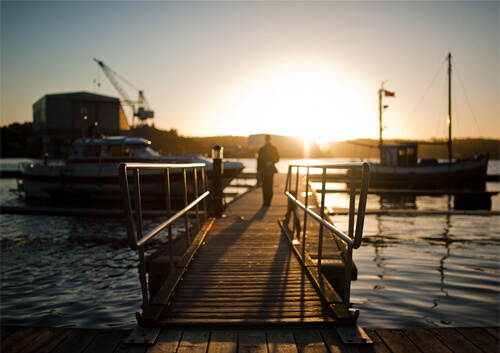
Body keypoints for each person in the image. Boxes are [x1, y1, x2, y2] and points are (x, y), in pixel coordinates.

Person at [257, 134, 279, 206]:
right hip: (263, 170)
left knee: (269, 185)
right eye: (266, 139)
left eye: (268, 139)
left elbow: (277, 158)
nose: (267, 140)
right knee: (264, 186)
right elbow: (259, 161)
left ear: (270, 140)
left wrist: (272, 162)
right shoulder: (261, 149)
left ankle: (268, 201)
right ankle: (265, 202)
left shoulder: (273, 148)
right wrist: (258, 170)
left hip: (270, 170)